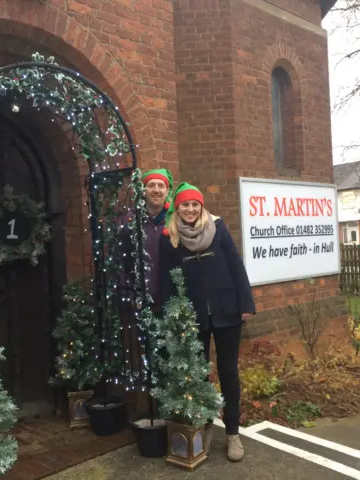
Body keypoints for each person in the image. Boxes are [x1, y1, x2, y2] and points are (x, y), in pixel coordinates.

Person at [158, 182, 255, 463]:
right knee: (198, 377)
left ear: (202, 207)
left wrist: (246, 304)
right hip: (193, 317)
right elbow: (166, 279)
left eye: (195, 204)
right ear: (178, 207)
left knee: (228, 373)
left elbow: (236, 266)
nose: (190, 209)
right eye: (185, 204)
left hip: (227, 312)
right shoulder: (170, 237)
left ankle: (233, 434)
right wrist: (171, 314)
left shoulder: (218, 229)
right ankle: (204, 428)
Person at [118, 168, 174, 310]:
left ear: (167, 191)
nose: (156, 190)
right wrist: (128, 294)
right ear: (143, 191)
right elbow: (121, 260)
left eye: (161, 186)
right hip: (141, 302)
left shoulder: (175, 221)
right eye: (151, 185)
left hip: (173, 302)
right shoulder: (130, 221)